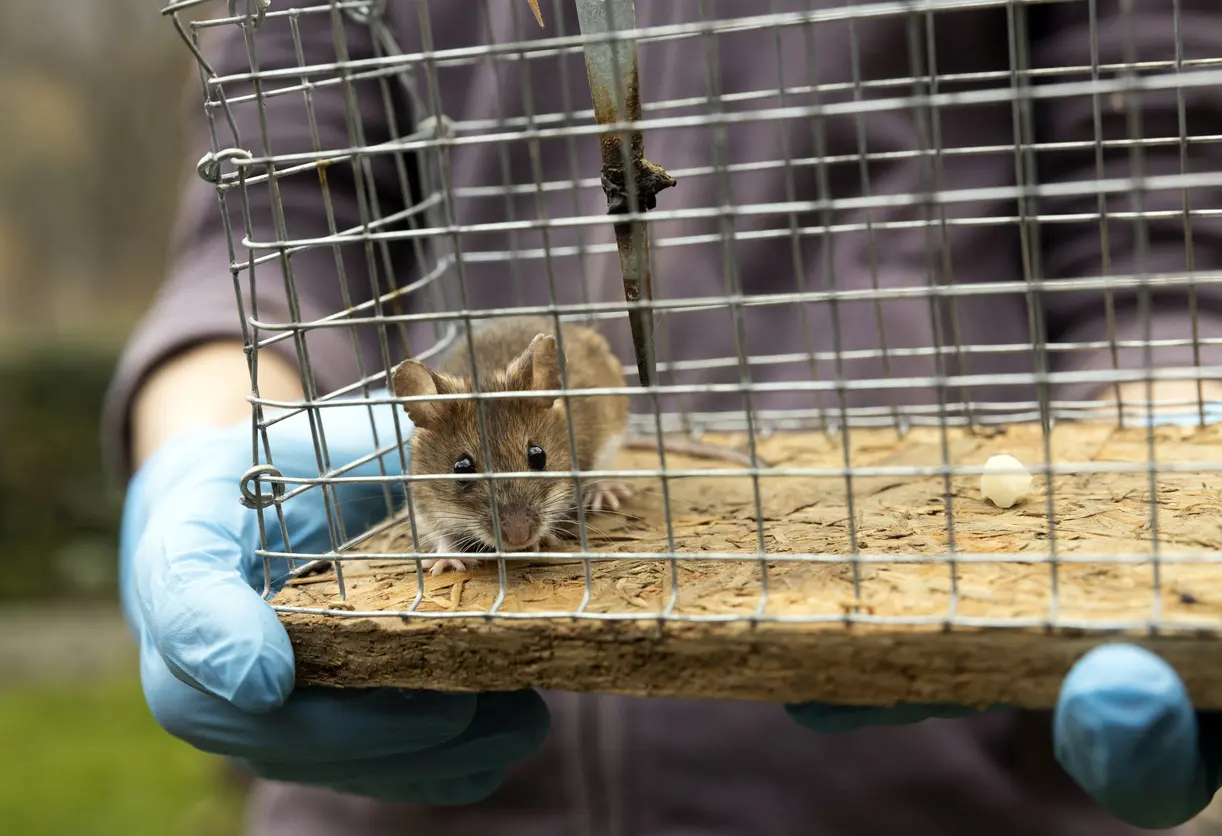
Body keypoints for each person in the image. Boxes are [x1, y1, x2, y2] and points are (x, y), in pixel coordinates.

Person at [106, 2, 1222, 834]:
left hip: (956, 791)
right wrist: (220, 443)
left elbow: (1161, 194)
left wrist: (1181, 479)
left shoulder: (569, 398)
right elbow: (276, 205)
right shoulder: (446, 443)